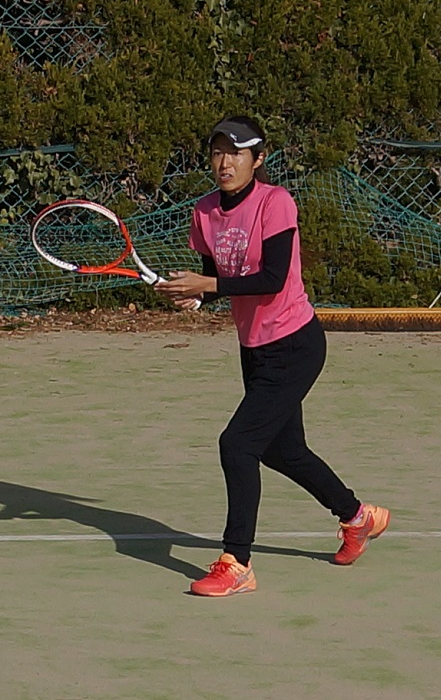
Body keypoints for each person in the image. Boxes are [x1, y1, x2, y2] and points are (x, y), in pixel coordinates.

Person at [155, 115, 390, 597]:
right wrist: (196, 295)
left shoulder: (275, 202)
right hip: (254, 348)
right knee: (284, 450)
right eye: (217, 152)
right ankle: (357, 517)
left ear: (258, 159)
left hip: (295, 344)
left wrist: (208, 284)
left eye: (236, 153)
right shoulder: (204, 212)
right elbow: (218, 277)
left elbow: (273, 277)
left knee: (237, 444)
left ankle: (236, 562)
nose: (224, 162)